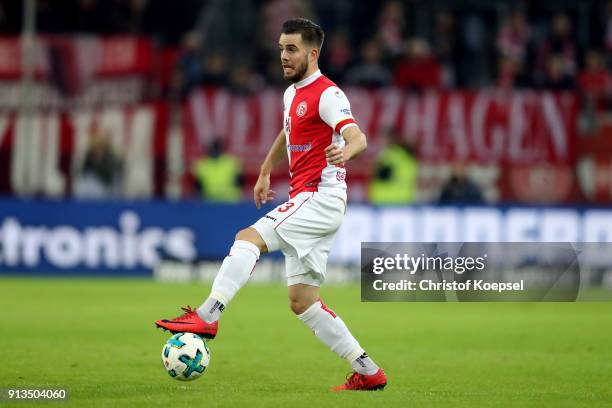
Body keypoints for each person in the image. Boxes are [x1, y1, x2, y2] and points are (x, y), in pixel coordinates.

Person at [156, 18, 387, 392]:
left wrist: (346, 151)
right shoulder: (292, 94)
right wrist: (265, 170)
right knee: (303, 301)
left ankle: (207, 316)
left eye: (292, 49)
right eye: (281, 48)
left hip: (319, 197)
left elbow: (357, 135)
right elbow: (288, 131)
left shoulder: (328, 94)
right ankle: (367, 369)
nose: (283, 55)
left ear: (313, 53)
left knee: (248, 238)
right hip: (311, 201)